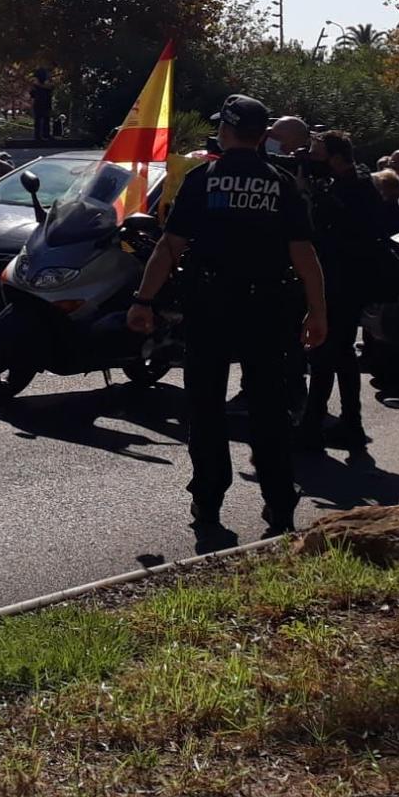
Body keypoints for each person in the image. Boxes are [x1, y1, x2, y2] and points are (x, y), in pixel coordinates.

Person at [127, 94, 326, 544]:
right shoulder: (281, 182)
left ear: (228, 130)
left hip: (210, 306)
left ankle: (209, 499)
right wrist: (319, 310)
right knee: (269, 409)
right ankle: (279, 503)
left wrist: (143, 300)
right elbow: (304, 254)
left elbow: (169, 247)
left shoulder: (203, 180)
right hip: (268, 308)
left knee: (206, 406)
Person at [298, 129, 399, 449]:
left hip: (345, 282)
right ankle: (348, 423)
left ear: (337, 158)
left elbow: (339, 230)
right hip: (342, 279)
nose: (313, 159)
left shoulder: (355, 188)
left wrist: (309, 195)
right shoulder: (349, 183)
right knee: (339, 353)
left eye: (318, 153)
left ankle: (315, 424)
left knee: (328, 351)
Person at [30, 68, 54, 142]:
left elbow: (50, 89)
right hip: (39, 103)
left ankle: (45, 135)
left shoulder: (42, 85)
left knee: (45, 119)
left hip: (44, 103)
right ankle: (39, 136)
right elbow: (32, 94)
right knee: (39, 120)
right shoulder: (36, 86)